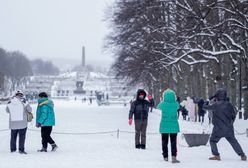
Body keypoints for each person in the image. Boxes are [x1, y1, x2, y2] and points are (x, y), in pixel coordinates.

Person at [203, 89, 247, 161]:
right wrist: (231, 122)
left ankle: (216, 155)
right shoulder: (229, 105)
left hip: (218, 128)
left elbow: (204, 107)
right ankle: (242, 155)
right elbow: (234, 114)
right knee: (233, 142)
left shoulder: (216, 105)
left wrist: (207, 100)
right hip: (228, 128)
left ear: (217, 96)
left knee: (212, 141)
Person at [157, 89, 180, 163]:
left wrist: (163, 100)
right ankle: (173, 156)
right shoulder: (176, 104)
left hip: (164, 125)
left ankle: (165, 156)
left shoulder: (163, 104)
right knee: (173, 142)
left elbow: (158, 106)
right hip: (174, 125)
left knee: (164, 142)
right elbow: (178, 106)